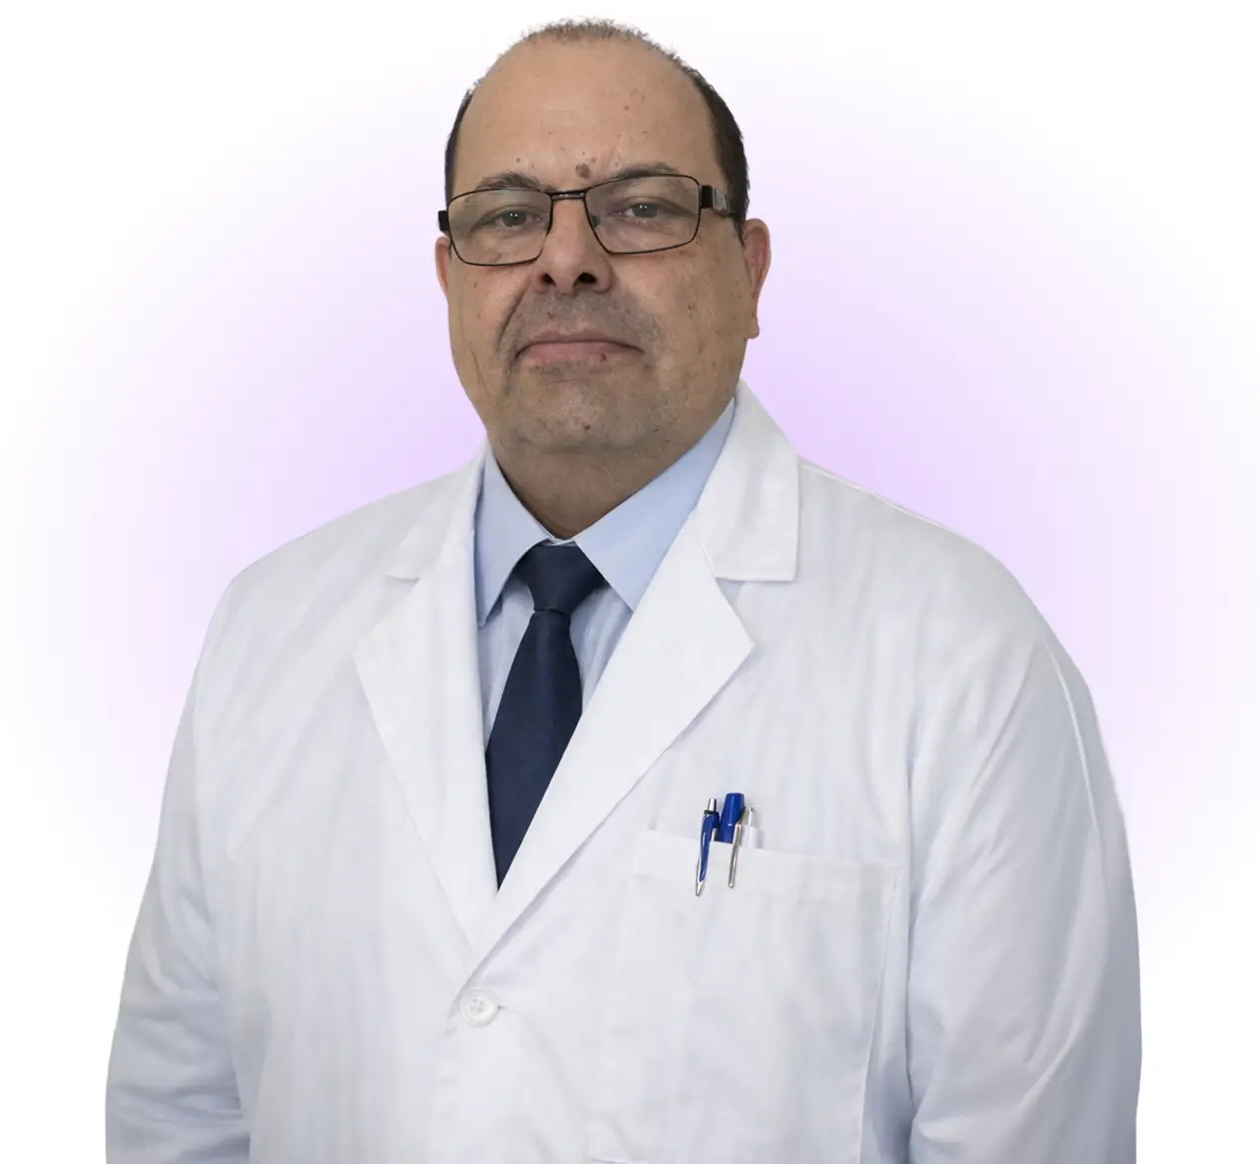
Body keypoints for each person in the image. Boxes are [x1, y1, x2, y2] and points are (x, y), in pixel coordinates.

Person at [105, 18, 1142, 1164]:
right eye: (507, 216)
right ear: (450, 279)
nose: (566, 259)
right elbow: (182, 1120)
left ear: (748, 269)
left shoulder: (961, 659)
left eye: (640, 206)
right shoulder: (270, 631)